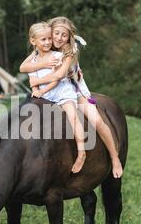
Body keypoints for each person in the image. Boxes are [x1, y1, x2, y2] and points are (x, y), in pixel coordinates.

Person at [22, 16, 123, 179]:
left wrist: (37, 80)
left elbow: (61, 74)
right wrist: (42, 66)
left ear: (69, 37)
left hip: (74, 89)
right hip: (50, 90)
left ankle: (114, 157)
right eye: (56, 33)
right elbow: (23, 67)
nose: (59, 38)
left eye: (64, 35)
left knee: (96, 120)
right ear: (50, 32)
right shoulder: (43, 45)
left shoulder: (70, 49)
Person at [21, 22, 86, 173]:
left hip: (62, 93)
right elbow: (32, 80)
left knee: (73, 117)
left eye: (49, 39)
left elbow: (56, 79)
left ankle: (82, 152)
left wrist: (42, 91)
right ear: (33, 41)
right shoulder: (33, 61)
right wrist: (36, 90)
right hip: (44, 95)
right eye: (43, 40)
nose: (48, 42)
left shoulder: (56, 55)